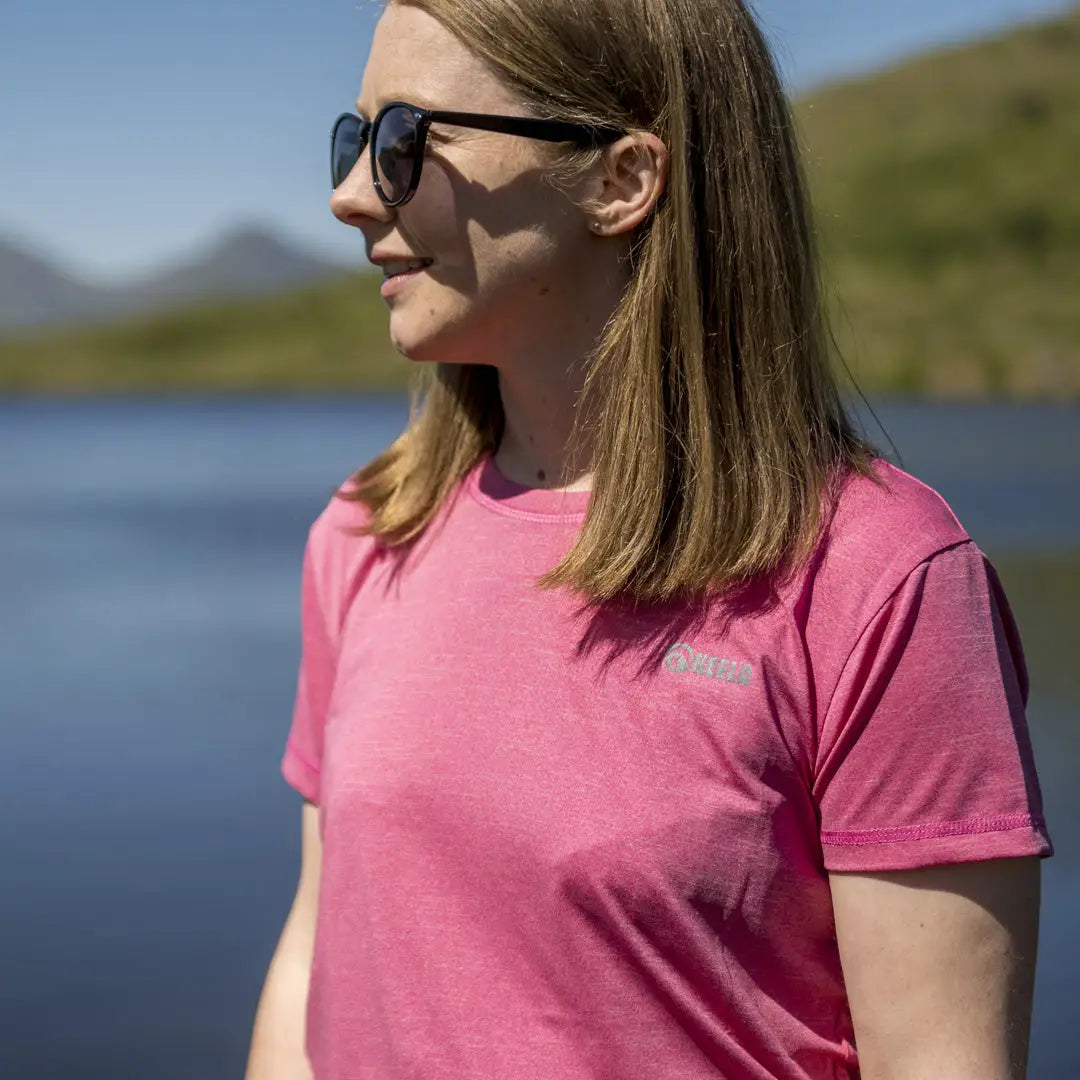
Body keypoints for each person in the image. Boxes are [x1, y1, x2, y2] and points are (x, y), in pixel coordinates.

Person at [245, 0, 1054, 1077]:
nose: (350, 196)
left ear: (622, 179)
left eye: (404, 142)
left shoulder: (878, 578)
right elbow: (317, 949)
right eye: (354, 140)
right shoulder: (366, 532)